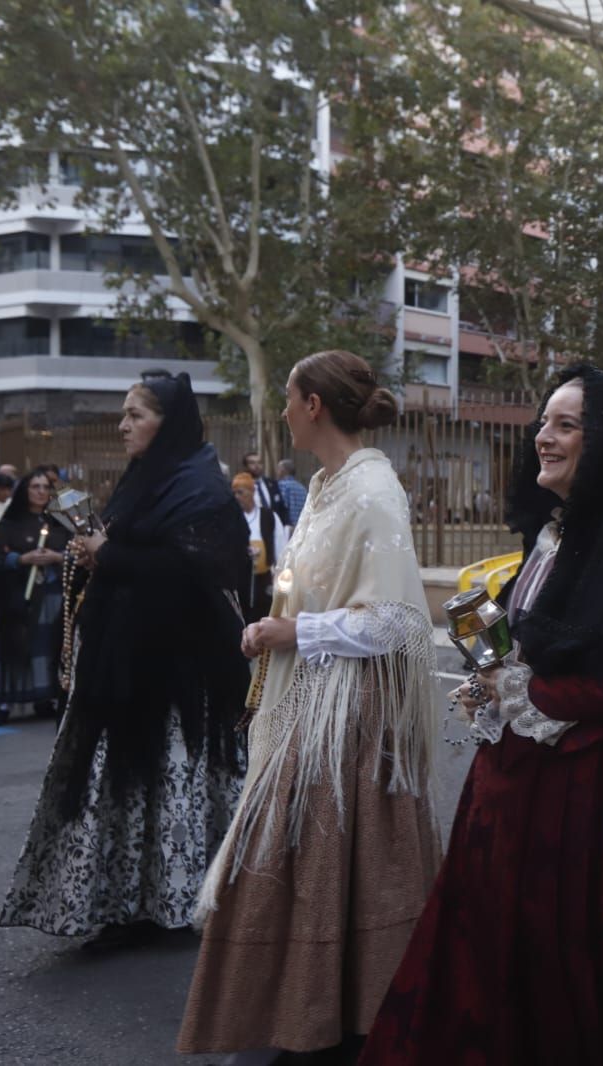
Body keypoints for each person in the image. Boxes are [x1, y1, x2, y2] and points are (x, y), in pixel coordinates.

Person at [360, 364, 603, 1065]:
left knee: (591, 972)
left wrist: (527, 694)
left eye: (564, 425)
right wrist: (496, 681)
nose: (542, 439)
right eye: (541, 424)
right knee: (493, 966)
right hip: (516, 791)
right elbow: (531, 649)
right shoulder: (552, 533)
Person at [179, 349, 441, 1063]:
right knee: (301, 867)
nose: (285, 412)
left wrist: (293, 630)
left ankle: (339, 1021)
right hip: (310, 699)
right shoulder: (328, 484)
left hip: (347, 718)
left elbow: (395, 622)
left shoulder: (370, 490)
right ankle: (304, 1013)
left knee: (330, 867)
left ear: (314, 405)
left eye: (290, 398)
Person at [0, 372, 249, 946]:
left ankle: (177, 899)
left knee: (170, 788)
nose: (123, 425)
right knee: (124, 791)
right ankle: (123, 901)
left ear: (169, 423)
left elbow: (202, 573)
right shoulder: (146, 479)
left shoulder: (201, 488)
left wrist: (111, 554)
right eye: (124, 414)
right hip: (123, 665)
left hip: (180, 676)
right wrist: (96, 554)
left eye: (136, 414)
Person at [0, 472, 73, 725]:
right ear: (24, 490)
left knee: (47, 649)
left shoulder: (60, 523)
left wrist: (58, 557)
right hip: (16, 599)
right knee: (14, 647)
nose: (40, 491)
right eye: (34, 486)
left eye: (45, 487)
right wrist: (22, 559)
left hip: (51, 597)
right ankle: (4, 702)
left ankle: (44, 699)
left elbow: (76, 550)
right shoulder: (10, 523)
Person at [231, 471, 289, 626]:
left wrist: (278, 574)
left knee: (263, 616)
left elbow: (281, 548)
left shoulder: (269, 517)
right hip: (240, 579)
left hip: (264, 580)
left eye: (240, 492)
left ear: (251, 492)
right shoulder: (232, 517)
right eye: (234, 493)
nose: (237, 496)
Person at [241, 450, 292, 529]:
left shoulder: (272, 484)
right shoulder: (239, 485)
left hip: (272, 530)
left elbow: (281, 507)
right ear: (245, 466)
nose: (257, 466)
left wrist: (288, 525)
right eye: (252, 463)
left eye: (259, 463)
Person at [275, 458, 308, 528]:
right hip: (301, 528)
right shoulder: (302, 488)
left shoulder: (281, 486)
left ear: (282, 470)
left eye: (278, 469)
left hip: (287, 529)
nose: (277, 472)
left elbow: (281, 509)